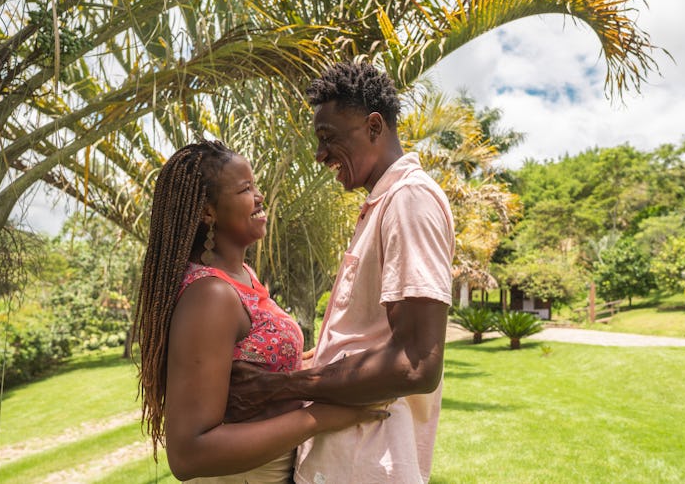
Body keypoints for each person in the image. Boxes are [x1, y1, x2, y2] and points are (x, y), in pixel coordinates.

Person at [225, 61, 455, 483]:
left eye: (328, 138)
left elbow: (418, 363)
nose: (319, 155)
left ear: (373, 127)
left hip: (366, 465)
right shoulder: (382, 206)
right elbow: (369, 338)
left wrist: (283, 386)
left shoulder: (409, 201)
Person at [133, 140, 389, 483]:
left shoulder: (242, 278)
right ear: (207, 211)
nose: (260, 196)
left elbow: (254, 364)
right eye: (245, 188)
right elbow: (188, 454)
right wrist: (319, 417)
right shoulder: (211, 294)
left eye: (256, 185)